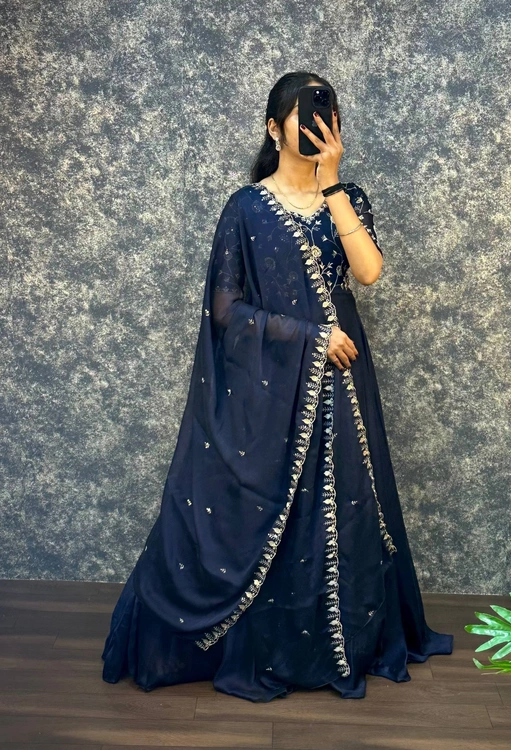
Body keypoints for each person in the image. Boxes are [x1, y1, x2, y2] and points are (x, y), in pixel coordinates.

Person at [101, 71, 453, 702]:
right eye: (304, 111)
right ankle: (268, 644)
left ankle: (338, 644)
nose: (319, 122)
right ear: (273, 127)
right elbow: (225, 310)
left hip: (343, 383)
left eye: (328, 111)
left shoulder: (348, 197)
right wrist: (308, 337)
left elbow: (369, 272)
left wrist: (333, 183)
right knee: (270, 513)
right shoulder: (245, 209)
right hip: (274, 387)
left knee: (345, 504)